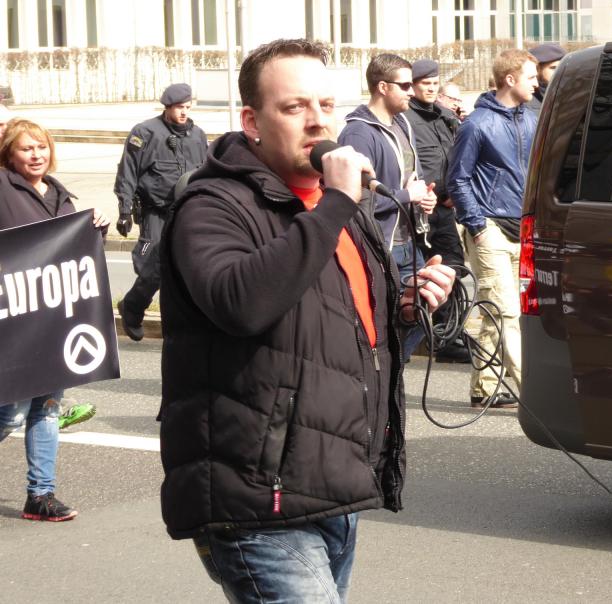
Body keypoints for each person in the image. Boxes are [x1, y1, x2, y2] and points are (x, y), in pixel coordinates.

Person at [158, 39, 455, 602]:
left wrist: (409, 305)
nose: (318, 122)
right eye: (295, 107)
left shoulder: (338, 206)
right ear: (252, 121)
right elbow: (241, 302)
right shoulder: (213, 205)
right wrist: (335, 204)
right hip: (260, 499)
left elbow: (342, 324)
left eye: (326, 104)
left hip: (332, 484)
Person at [0, 118, 110, 521]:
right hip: (11, 319)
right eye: (26, 148)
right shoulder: (1, 187)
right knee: (9, 411)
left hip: (54, 319)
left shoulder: (61, 194)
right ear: (9, 154)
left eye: (41, 147)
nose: (36, 155)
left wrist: (94, 229)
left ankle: (41, 496)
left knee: (46, 407)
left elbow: (72, 254)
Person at [447, 49, 538, 409]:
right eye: (531, 76)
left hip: (522, 228)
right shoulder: (476, 124)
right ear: (510, 79)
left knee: (494, 310)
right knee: (507, 313)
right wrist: (477, 226)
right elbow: (458, 179)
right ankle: (534, 395)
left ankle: (483, 388)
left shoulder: (530, 119)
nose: (536, 82)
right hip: (490, 230)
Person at [338, 53, 437, 362]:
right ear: (382, 87)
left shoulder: (402, 123)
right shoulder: (358, 132)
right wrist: (407, 197)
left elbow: (410, 181)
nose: (412, 91)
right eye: (405, 85)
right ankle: (381, 372)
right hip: (383, 244)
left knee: (425, 309)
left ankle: (391, 369)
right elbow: (356, 200)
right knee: (384, 323)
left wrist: (424, 201)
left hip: (409, 241)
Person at [114, 83, 207, 341]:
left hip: (187, 210)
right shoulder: (145, 133)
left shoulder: (197, 135)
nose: (184, 113)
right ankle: (132, 306)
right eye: (179, 107)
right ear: (168, 107)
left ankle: (180, 324)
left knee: (187, 267)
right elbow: (128, 172)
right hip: (156, 212)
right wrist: (124, 210)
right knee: (153, 267)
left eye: (188, 107)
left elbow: (207, 172)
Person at [404, 59, 470, 363]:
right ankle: (431, 335)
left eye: (434, 84)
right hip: (422, 208)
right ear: (414, 86)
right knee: (426, 271)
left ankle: (448, 333)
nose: (430, 88)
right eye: (424, 84)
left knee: (453, 265)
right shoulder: (406, 118)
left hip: (446, 206)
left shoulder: (445, 116)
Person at [526, 43, 566, 115]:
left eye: (562, 67)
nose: (559, 72)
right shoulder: (526, 99)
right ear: (538, 70)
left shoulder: (572, 94)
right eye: (553, 68)